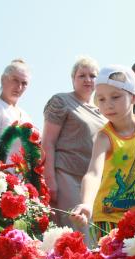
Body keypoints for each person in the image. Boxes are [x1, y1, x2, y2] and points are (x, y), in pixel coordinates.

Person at [71, 65, 135, 241]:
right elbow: (94, 173)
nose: (108, 105)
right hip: (109, 219)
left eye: (115, 97)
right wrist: (86, 203)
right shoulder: (104, 137)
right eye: (101, 99)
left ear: (133, 97)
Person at [42, 56, 107, 244]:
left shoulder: (101, 111)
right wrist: (50, 181)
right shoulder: (61, 101)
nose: (88, 80)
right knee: (75, 234)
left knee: (95, 238)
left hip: (94, 183)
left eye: (93, 76)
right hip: (67, 177)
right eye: (82, 75)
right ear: (73, 79)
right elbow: (48, 142)